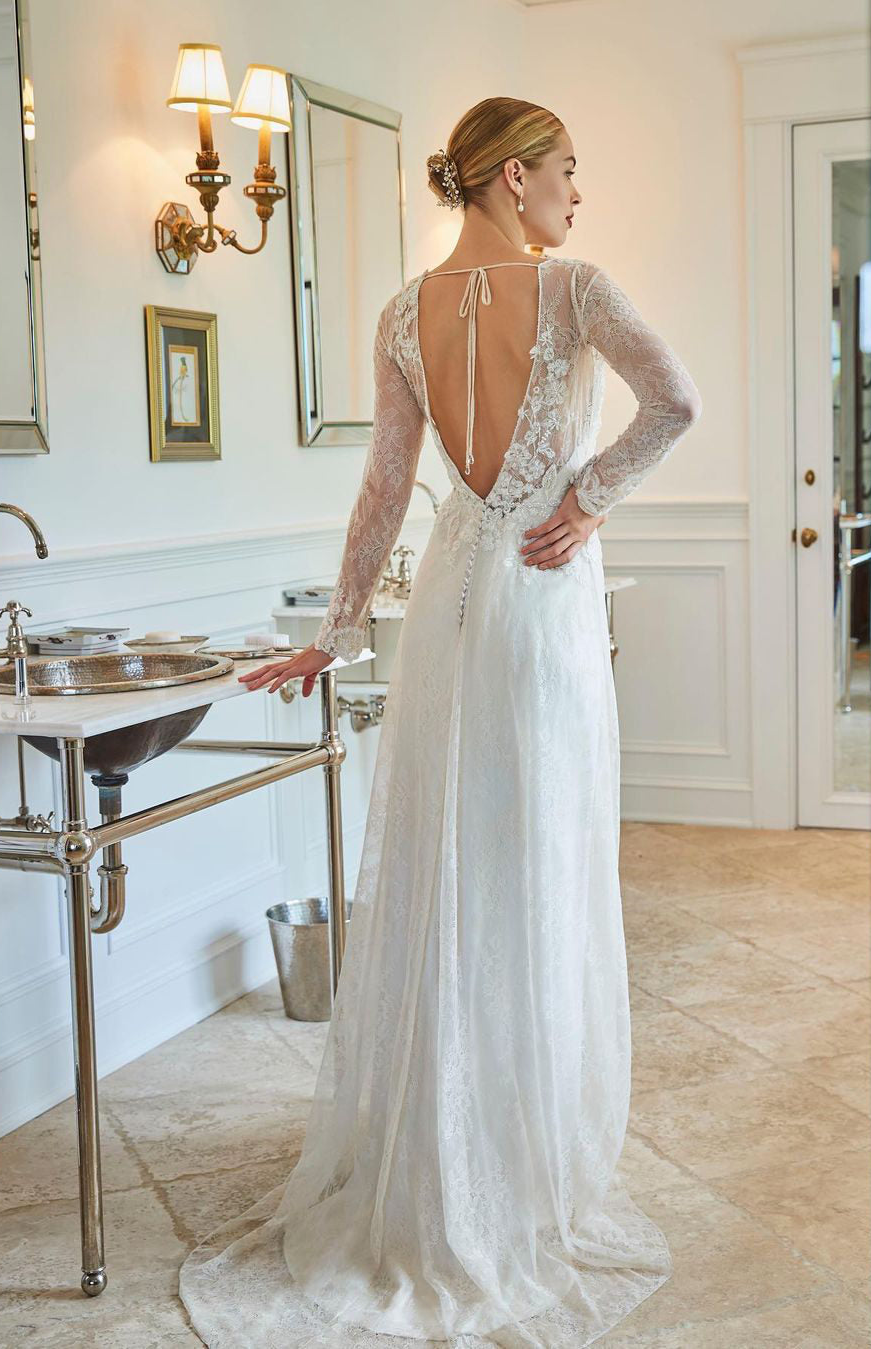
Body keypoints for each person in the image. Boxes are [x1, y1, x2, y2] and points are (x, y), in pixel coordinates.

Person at [179, 96, 702, 1347]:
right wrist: (588, 495)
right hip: (543, 601)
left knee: (447, 878)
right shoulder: (574, 288)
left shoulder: (400, 313)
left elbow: (383, 486)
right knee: (536, 873)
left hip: (449, 607)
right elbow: (676, 402)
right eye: (566, 169)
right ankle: (516, 1166)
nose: (577, 193)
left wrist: (337, 630)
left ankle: (437, 1150)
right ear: (513, 178)